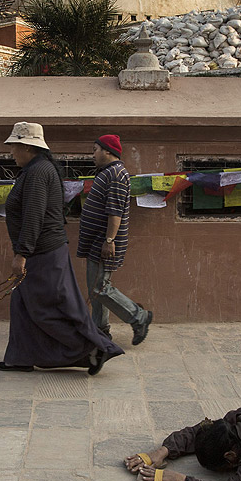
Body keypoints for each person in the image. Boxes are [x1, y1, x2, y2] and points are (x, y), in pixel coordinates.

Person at [0, 122, 125, 375]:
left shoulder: (38, 173)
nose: (11, 152)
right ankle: (20, 357)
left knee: (46, 309)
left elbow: (34, 216)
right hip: (43, 250)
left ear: (27, 147)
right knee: (22, 305)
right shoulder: (35, 170)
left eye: (14, 146)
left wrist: (22, 254)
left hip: (43, 253)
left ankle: (93, 348)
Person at [76, 134, 151, 344]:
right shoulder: (107, 173)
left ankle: (139, 317)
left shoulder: (116, 174)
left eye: (95, 150)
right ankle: (100, 331)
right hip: (97, 241)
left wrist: (109, 240)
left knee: (100, 288)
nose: (92, 155)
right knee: (97, 287)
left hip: (104, 241)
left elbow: (115, 212)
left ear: (108, 151)